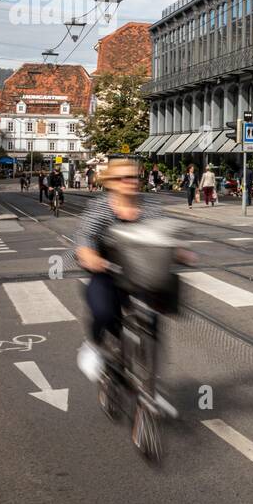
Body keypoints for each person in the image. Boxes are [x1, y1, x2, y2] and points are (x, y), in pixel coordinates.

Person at [73, 158, 194, 384]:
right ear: (111, 182)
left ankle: (147, 380)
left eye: (134, 176)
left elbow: (162, 233)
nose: (131, 181)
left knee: (152, 318)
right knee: (103, 312)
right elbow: (85, 235)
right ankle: (94, 345)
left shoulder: (149, 206)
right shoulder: (100, 207)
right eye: (123, 177)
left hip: (141, 273)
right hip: (108, 272)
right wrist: (89, 254)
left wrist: (179, 251)